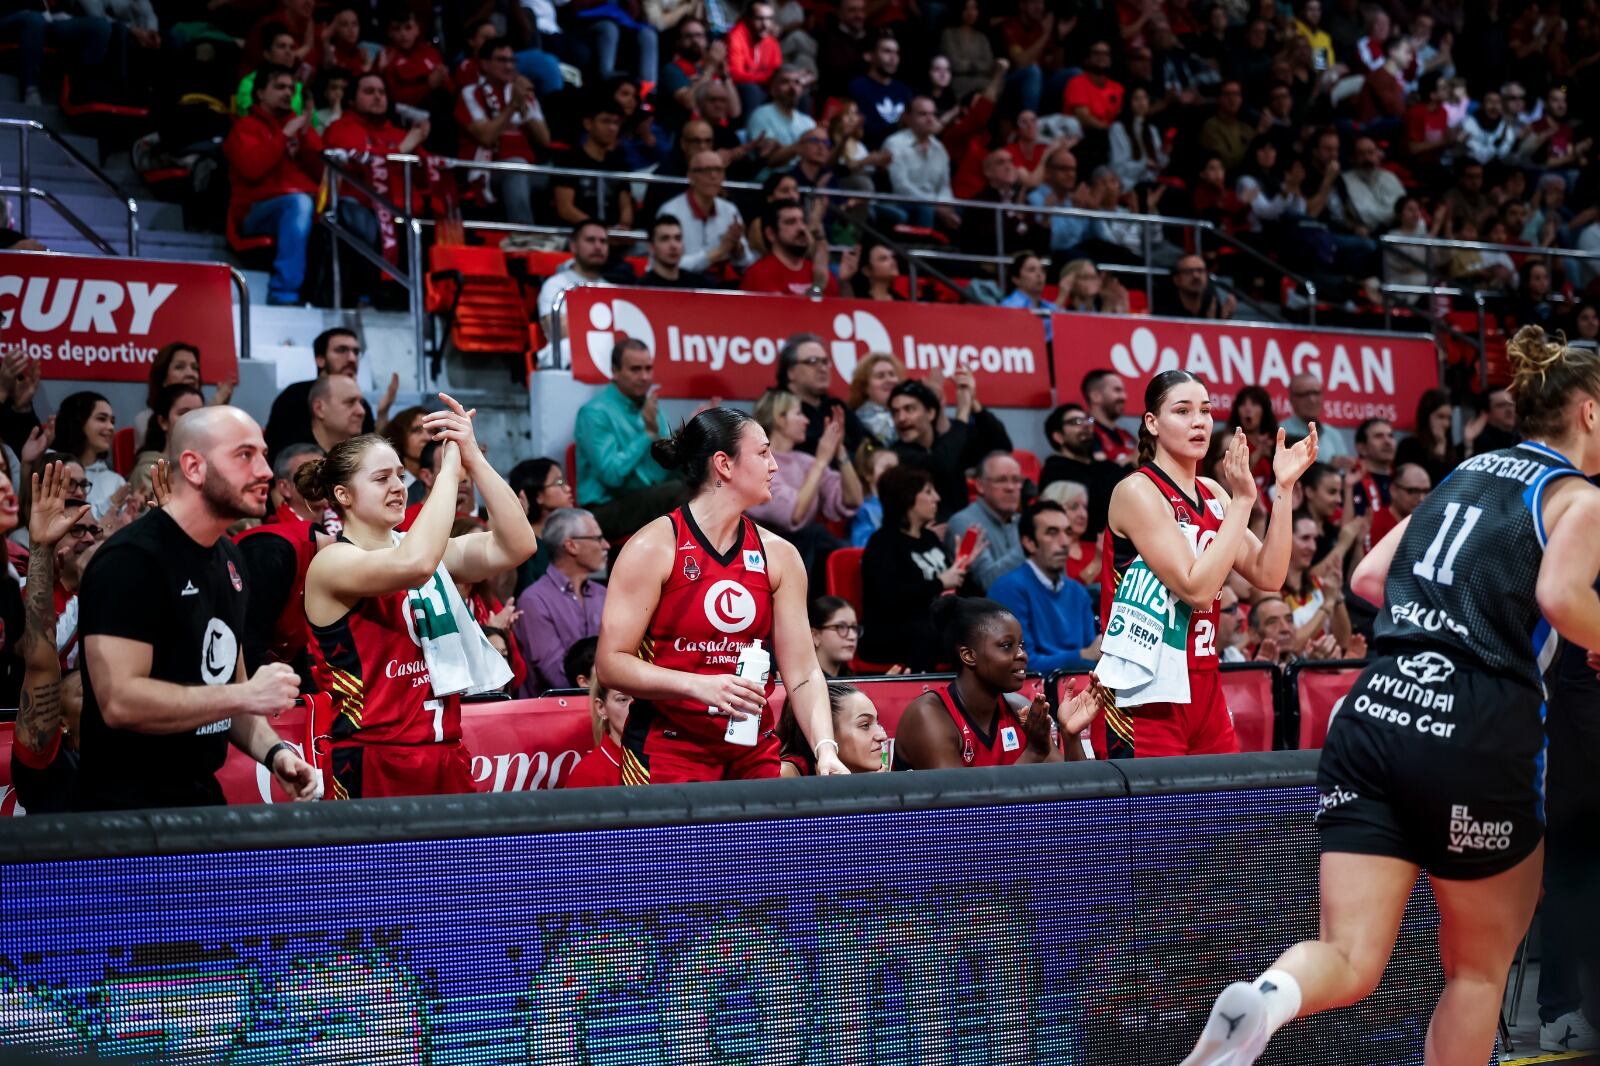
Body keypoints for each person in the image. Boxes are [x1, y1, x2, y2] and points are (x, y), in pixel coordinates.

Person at [1182, 325, 1600, 1066]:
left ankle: (1268, 998)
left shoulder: (1462, 476)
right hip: (1477, 723)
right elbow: (1562, 595)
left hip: (1373, 712)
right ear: (1590, 414)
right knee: (1475, 971)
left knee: (1347, 954)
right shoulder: (1579, 497)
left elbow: (1372, 580)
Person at [74, 407, 317, 811]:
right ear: (194, 467)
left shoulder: (230, 558)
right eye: (244, 455)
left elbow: (232, 694)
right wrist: (243, 694)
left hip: (199, 797)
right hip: (124, 813)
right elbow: (119, 701)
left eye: (263, 454)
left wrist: (276, 753)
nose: (264, 471)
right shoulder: (131, 560)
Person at [300, 396, 538, 799]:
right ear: (342, 495)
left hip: (444, 751)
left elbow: (517, 545)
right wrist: (448, 470)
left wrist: (472, 462)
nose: (397, 487)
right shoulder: (333, 562)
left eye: (398, 475)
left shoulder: (418, 549)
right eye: (381, 479)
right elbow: (415, 564)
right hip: (373, 758)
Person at [595, 408, 848, 782]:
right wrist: (697, 685)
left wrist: (825, 748)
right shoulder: (654, 547)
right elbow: (611, 663)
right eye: (763, 453)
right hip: (668, 750)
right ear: (724, 465)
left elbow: (804, 671)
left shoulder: (780, 555)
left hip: (751, 748)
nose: (774, 466)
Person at [1101, 370, 1318, 758]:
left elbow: (1270, 575)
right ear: (1152, 422)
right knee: (1156, 820)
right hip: (1145, 690)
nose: (1198, 421)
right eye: (1182, 411)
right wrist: (1242, 503)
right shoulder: (1136, 490)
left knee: (1220, 817)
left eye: (1205, 410)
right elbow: (1197, 589)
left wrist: (1283, 488)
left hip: (1205, 684)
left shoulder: (1214, 492)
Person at [893, 596, 1103, 769]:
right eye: (1006, 645)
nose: (1022, 655)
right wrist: (1034, 752)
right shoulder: (928, 716)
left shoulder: (1019, 708)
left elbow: (1073, 794)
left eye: (1021, 645)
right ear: (968, 655)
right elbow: (962, 812)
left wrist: (1071, 734)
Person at [8, 462, 87, 812]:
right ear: (60, 723)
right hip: (65, 868)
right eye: (85, 692)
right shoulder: (47, 766)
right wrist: (40, 549)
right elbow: (41, 663)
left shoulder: (133, 760)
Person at [224, 64, 324, 306]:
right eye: (279, 87)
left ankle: (340, 296)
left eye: (291, 88)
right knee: (298, 203)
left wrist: (306, 135)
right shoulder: (245, 128)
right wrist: (284, 136)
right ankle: (283, 293)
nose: (288, 93)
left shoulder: (299, 127)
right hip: (256, 213)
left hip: (301, 207)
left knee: (339, 212)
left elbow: (322, 173)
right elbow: (252, 170)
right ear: (260, 93)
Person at [235, 443, 330, 693]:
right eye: (309, 472)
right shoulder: (273, 547)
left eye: (326, 471)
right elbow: (250, 640)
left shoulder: (330, 533)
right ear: (284, 487)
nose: (319, 479)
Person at [574, 339, 688, 541]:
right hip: (605, 509)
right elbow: (612, 475)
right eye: (635, 369)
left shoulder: (651, 408)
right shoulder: (594, 413)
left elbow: (664, 469)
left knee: (704, 474)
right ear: (615, 371)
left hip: (648, 496)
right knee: (678, 491)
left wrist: (689, 437)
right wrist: (646, 434)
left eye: (648, 369)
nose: (644, 377)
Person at [747, 391, 862, 589]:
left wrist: (839, 450)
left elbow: (853, 499)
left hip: (806, 554)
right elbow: (794, 516)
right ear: (779, 419)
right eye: (799, 414)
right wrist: (821, 461)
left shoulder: (805, 461)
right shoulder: (757, 462)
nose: (806, 421)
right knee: (815, 535)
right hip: (765, 557)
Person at [858, 465, 969, 669]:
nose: (937, 498)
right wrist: (940, 582)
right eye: (928, 491)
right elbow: (891, 597)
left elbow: (950, 583)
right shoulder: (883, 543)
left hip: (933, 624)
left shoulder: (930, 538)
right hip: (889, 632)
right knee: (928, 633)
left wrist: (961, 567)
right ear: (907, 498)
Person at [988, 501, 1101, 673]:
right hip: (1031, 695)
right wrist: (1081, 655)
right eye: (1052, 532)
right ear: (1029, 542)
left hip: (1078, 690)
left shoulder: (1079, 592)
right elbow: (1020, 663)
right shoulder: (1008, 589)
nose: (1064, 542)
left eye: (1067, 532)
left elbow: (1093, 659)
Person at [889, 377, 1013, 522]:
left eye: (909, 409)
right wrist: (962, 414)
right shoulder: (896, 454)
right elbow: (941, 463)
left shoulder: (950, 441)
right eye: (895, 412)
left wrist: (973, 403)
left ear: (930, 413)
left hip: (963, 530)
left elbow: (1001, 445)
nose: (901, 418)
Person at [514, 507, 608, 698]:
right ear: (571, 545)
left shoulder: (604, 594)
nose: (606, 545)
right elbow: (555, 675)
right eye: (597, 538)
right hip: (554, 716)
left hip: (605, 709)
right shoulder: (534, 600)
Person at [455, 36, 551, 224]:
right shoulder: (471, 93)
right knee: (515, 167)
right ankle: (524, 237)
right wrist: (511, 107)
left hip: (527, 170)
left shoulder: (523, 93)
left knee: (563, 176)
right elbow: (486, 137)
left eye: (512, 61)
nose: (509, 66)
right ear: (484, 64)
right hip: (488, 172)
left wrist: (524, 106)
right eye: (501, 60)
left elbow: (544, 139)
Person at [264, 328, 377, 464]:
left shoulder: (363, 407)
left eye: (356, 352)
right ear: (320, 359)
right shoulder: (293, 398)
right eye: (341, 350)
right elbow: (278, 459)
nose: (352, 358)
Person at [1040, 401, 1129, 539]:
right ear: (1059, 437)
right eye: (1076, 422)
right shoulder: (1055, 471)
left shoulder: (1106, 467)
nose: (1086, 425)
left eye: (1088, 420)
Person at [774, 333, 868, 457]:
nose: (823, 368)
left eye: (825, 361)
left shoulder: (836, 407)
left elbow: (868, 444)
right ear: (791, 372)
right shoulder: (775, 409)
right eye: (812, 361)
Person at [945, 452, 1026, 593]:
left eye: (1016, 480)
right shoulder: (965, 523)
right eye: (1001, 480)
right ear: (980, 485)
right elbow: (989, 583)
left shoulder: (1023, 521)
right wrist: (1030, 545)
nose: (1011, 488)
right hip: (985, 613)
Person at [551, 95, 634, 230]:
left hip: (614, 236)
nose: (612, 128)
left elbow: (626, 205)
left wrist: (624, 228)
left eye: (616, 123)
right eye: (606, 121)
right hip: (576, 235)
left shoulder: (619, 162)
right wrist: (599, 231)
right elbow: (565, 208)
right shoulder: (568, 160)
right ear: (588, 124)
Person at [134, 342, 234, 448]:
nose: (190, 374)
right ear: (162, 378)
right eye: (180, 367)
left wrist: (218, 411)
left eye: (195, 368)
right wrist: (212, 411)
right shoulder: (145, 420)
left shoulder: (208, 415)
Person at [1280, 514, 1354, 658]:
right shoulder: (1271, 589)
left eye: (1315, 539)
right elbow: (1292, 644)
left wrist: (1337, 596)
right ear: (1285, 538)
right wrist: (1327, 605)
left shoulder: (1319, 584)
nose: (1313, 547)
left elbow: (1343, 642)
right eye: (1305, 538)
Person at [883, 96, 960, 231]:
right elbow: (901, 187)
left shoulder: (939, 149)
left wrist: (945, 205)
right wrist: (935, 205)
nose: (930, 119)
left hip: (933, 203)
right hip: (904, 202)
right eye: (923, 114)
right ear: (908, 117)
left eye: (933, 114)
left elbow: (944, 186)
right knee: (925, 209)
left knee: (966, 210)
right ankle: (923, 249)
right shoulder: (894, 144)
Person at [779, 682, 888, 775]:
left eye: (877, 723)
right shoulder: (787, 773)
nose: (883, 736)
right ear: (826, 732)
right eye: (865, 725)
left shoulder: (872, 773)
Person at [537, 219, 619, 339]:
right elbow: (558, 329)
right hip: (567, 355)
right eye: (590, 240)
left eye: (603, 241)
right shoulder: (555, 284)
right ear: (573, 246)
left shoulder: (614, 290)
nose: (598, 246)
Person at [742, 199, 838, 296]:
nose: (801, 228)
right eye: (791, 222)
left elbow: (845, 309)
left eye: (803, 221)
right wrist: (817, 287)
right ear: (771, 234)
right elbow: (788, 310)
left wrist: (844, 283)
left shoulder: (820, 272)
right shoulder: (759, 273)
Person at [53, 391, 123, 521]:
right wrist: (110, 503)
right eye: (102, 419)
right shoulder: (53, 466)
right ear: (78, 421)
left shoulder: (116, 481)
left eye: (112, 421)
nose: (111, 427)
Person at [508, 456, 574, 593]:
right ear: (538, 496)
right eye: (559, 482)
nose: (568, 488)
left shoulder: (566, 537)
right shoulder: (524, 546)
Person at [129, 385, 203, 498]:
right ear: (163, 422)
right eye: (183, 413)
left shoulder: (207, 467)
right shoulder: (147, 472)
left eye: (198, 414)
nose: (193, 420)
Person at [562, 675, 631, 789]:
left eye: (641, 699)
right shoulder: (586, 774)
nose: (634, 707)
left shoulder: (663, 758)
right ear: (601, 708)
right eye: (623, 699)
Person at [1279, 372, 1355, 467]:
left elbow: (1345, 472)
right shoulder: (1280, 431)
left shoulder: (1333, 434)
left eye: (1316, 393)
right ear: (1291, 399)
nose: (1312, 399)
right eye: (1304, 394)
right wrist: (1329, 466)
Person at [850, 33, 913, 147]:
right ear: (869, 55)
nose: (893, 58)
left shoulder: (904, 90)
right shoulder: (858, 87)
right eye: (887, 51)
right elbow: (864, 129)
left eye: (896, 53)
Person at [639, 212, 730, 289]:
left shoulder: (701, 286)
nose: (673, 246)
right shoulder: (641, 288)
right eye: (665, 239)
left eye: (678, 238)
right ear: (651, 247)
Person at [1039, 479, 1102, 589]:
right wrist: (1096, 563)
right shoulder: (1046, 552)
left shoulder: (1096, 549)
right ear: (1053, 510)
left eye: (1085, 508)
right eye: (1074, 507)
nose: (1083, 514)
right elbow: (1063, 594)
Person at [1394, 387, 1462, 487]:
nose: (1446, 424)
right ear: (1426, 417)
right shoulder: (1409, 446)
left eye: (1449, 418)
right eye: (1440, 417)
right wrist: (1439, 452)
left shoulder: (1451, 449)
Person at [1366, 462, 1429, 556]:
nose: (1421, 498)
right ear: (1393, 490)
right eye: (1412, 491)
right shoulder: (1375, 522)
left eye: (1426, 491)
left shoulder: (1429, 525)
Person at [1153, 255, 1236, 320]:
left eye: (1200, 270)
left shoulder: (1213, 303)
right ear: (1176, 279)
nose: (1196, 276)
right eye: (1188, 271)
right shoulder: (1163, 308)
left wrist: (1222, 322)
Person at [1082, 369, 1137, 466]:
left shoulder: (1127, 436)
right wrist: (1133, 459)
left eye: (1123, 391)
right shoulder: (1085, 435)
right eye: (1117, 390)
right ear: (1095, 396)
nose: (1124, 396)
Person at [847, 352, 903, 447]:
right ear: (865, 387)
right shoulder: (858, 421)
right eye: (880, 376)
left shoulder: (907, 413)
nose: (889, 380)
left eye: (892, 374)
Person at [850, 445, 899, 547]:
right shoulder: (864, 509)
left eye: (897, 468)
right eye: (888, 468)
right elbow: (861, 546)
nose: (896, 473)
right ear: (868, 474)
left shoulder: (902, 505)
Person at [307, 374, 367, 453]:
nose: (361, 411)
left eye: (361, 403)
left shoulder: (366, 457)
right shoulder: (298, 460)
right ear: (319, 409)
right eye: (350, 402)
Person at [1351, 418, 1397, 516]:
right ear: (1362, 448)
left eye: (1390, 436)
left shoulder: (1403, 479)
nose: (1387, 441)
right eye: (1378, 436)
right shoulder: (1352, 483)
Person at [808, 595, 861, 679]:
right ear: (815, 636)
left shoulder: (853, 682)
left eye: (854, 627)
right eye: (841, 627)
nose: (852, 636)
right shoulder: (801, 683)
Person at [1467, 387, 1519, 457]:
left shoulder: (1522, 435)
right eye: (1501, 405)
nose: (1509, 410)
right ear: (1486, 413)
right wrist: (1468, 443)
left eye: (1511, 404)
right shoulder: (1481, 443)